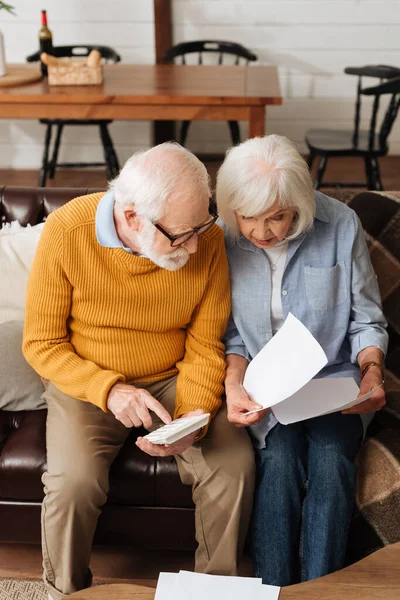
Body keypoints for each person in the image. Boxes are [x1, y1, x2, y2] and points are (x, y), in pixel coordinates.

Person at [23, 142, 255, 600]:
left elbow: (205, 343)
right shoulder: (68, 231)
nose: (194, 244)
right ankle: (66, 593)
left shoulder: (204, 236)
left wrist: (191, 417)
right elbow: (41, 344)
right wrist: (107, 391)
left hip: (174, 375)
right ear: (131, 218)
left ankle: (213, 592)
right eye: (180, 235)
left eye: (200, 227)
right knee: (72, 484)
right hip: (86, 381)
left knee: (234, 465)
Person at [216, 135, 388, 586]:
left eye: (278, 216)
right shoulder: (221, 238)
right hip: (265, 390)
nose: (262, 231)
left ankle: (319, 592)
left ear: (301, 202)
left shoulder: (341, 224)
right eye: (249, 217)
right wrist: (234, 387)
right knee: (279, 461)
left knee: (331, 461)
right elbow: (232, 335)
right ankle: (277, 591)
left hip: (333, 383)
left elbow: (367, 321)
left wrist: (372, 372)